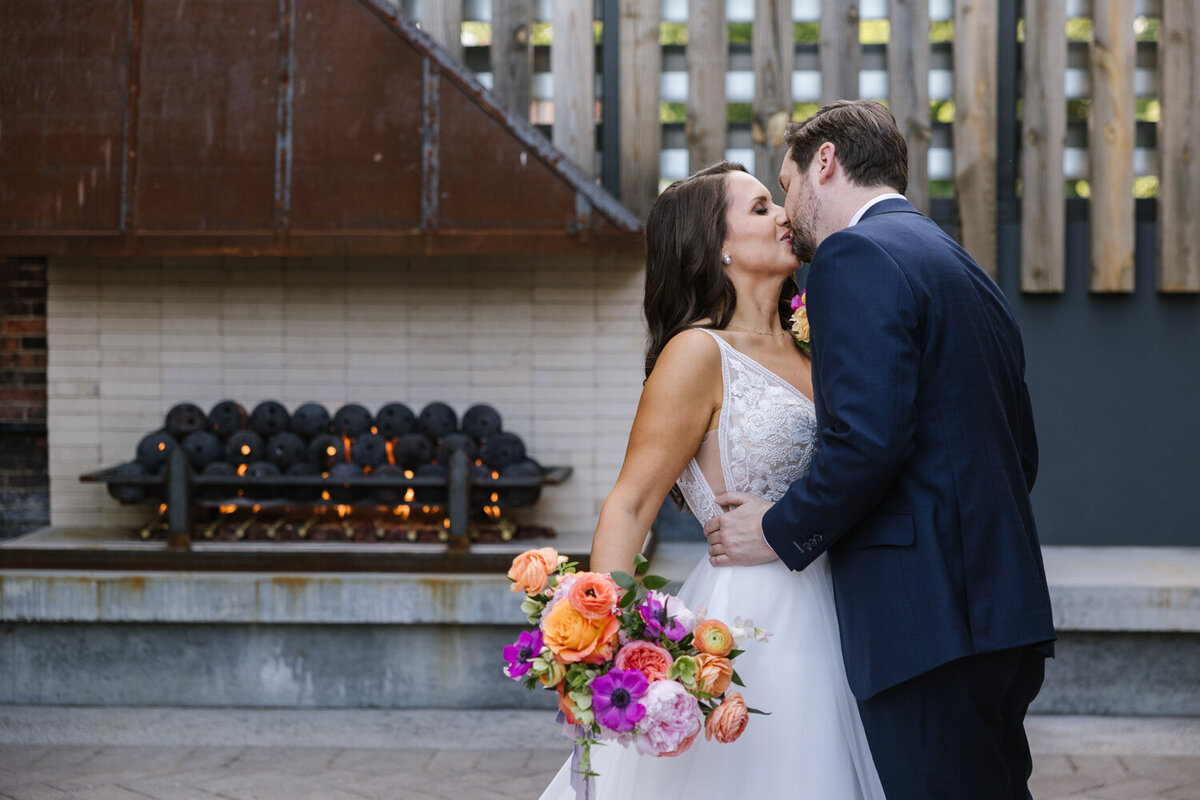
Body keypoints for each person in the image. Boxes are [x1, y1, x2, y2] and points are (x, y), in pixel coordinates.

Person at [703, 100, 1056, 799]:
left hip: (924, 619)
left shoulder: (853, 257)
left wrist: (775, 529)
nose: (788, 211)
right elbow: (1021, 449)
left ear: (825, 162)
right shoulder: (959, 264)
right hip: (1000, 606)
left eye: (789, 183)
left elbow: (865, 440)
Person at [538, 161, 885, 799]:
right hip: (753, 624)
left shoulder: (820, 343)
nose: (785, 213)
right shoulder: (697, 352)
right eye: (759, 208)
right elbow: (632, 502)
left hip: (844, 604)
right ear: (716, 245)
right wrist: (608, 643)